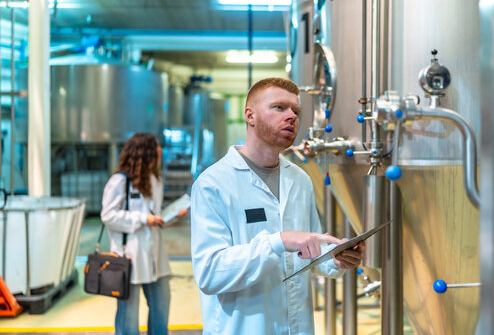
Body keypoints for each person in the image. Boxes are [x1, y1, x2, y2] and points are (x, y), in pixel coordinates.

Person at [191, 78, 365, 334]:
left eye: (296, 111)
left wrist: (336, 259)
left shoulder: (299, 179)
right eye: (279, 108)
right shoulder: (214, 184)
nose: (292, 116)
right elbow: (210, 273)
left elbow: (310, 254)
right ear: (250, 115)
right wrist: (277, 242)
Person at [101, 133, 187, 335]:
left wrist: (172, 215)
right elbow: (108, 215)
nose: (160, 150)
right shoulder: (120, 181)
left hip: (155, 257)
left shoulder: (154, 179)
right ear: (144, 151)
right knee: (128, 315)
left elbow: (154, 216)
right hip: (129, 257)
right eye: (156, 146)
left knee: (161, 308)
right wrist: (142, 219)